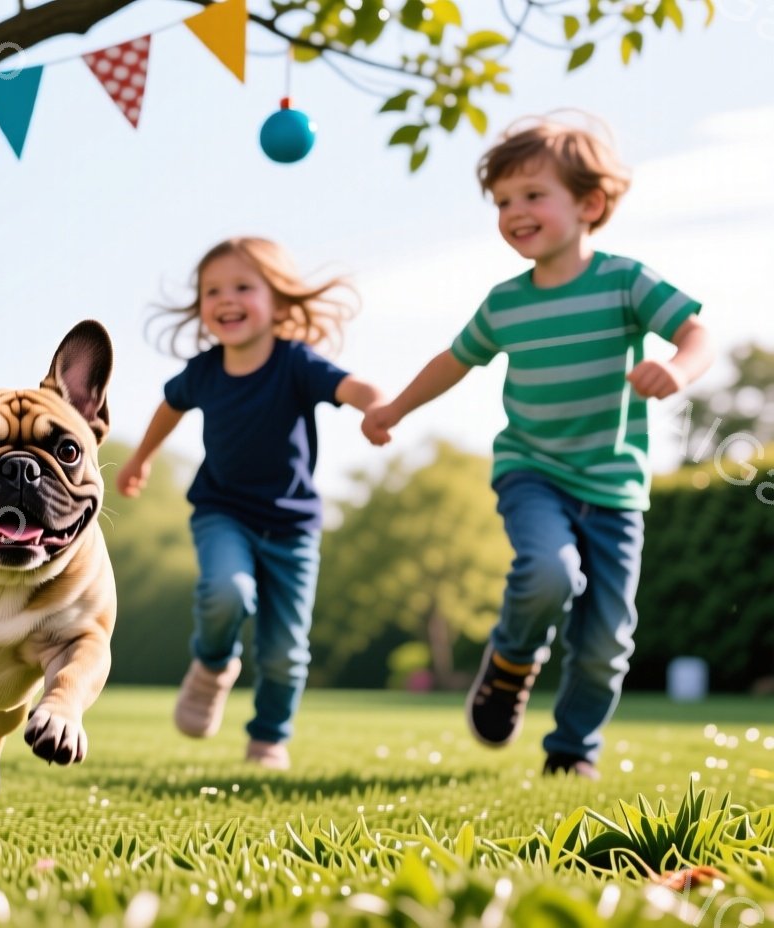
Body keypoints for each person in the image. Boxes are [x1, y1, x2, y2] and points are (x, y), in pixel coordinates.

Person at [361, 115, 714, 779]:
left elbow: (696, 334)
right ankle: (511, 660)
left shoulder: (625, 282)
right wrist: (394, 409)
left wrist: (679, 369)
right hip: (533, 472)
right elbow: (453, 360)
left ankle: (573, 752)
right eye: (502, 202)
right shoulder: (505, 304)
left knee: (607, 639)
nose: (514, 212)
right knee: (550, 572)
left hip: (614, 489)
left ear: (589, 204)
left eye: (531, 195)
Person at [118, 237, 385, 770]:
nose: (226, 299)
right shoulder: (204, 371)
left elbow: (352, 388)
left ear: (280, 302)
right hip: (224, 513)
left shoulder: (297, 364)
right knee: (226, 591)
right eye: (212, 290)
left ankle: (268, 738)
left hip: (293, 528)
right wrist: (141, 458)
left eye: (243, 287)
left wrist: (375, 406)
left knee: (286, 650)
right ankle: (213, 664)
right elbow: (169, 407)